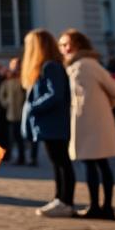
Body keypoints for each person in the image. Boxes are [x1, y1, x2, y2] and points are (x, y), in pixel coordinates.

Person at [60, 29, 115, 220]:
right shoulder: (77, 65)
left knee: (97, 164)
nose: (62, 48)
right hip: (86, 122)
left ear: (76, 45)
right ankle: (98, 205)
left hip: (93, 123)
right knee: (96, 164)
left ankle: (103, 206)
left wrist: (102, 109)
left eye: (65, 44)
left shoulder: (86, 65)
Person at [20, 30, 75, 217]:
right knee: (58, 162)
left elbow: (55, 94)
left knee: (61, 162)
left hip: (54, 122)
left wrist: (33, 107)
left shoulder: (50, 67)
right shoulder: (49, 66)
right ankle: (60, 198)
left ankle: (65, 201)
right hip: (51, 122)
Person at [0, 58, 30, 165]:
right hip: (10, 113)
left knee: (21, 137)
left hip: (22, 113)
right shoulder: (7, 79)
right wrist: (6, 103)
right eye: (13, 65)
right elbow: (1, 95)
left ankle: (23, 157)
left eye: (17, 65)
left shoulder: (24, 78)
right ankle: (10, 155)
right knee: (12, 136)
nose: (15, 67)